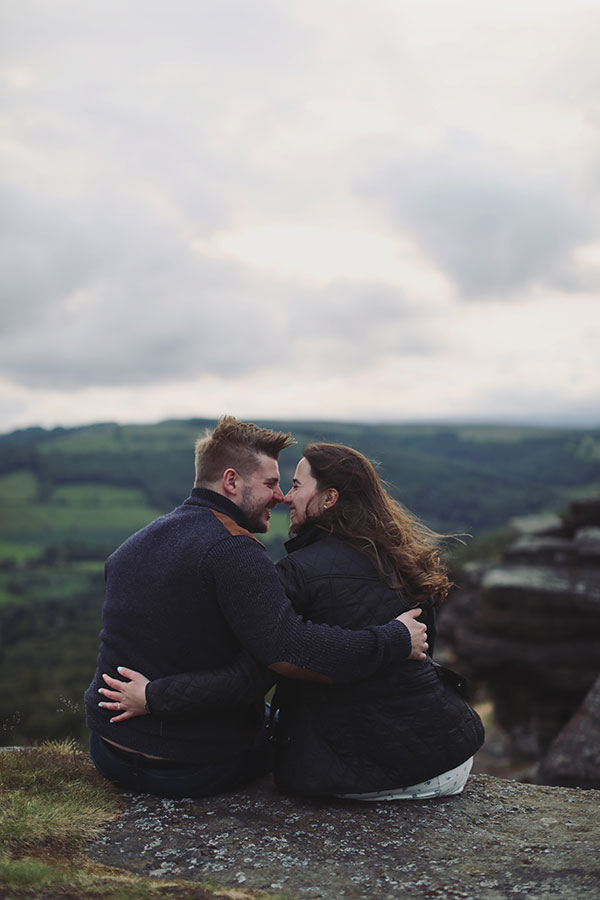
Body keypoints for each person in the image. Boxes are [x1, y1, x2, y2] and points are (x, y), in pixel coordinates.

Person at [98, 441, 484, 800]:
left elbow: (257, 672)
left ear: (329, 498)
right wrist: (395, 640)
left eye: (295, 485)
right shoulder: (402, 557)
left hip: (371, 776)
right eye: (277, 484)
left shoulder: (296, 574)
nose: (285, 497)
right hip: (449, 755)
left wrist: (153, 697)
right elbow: (422, 650)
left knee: (261, 722)